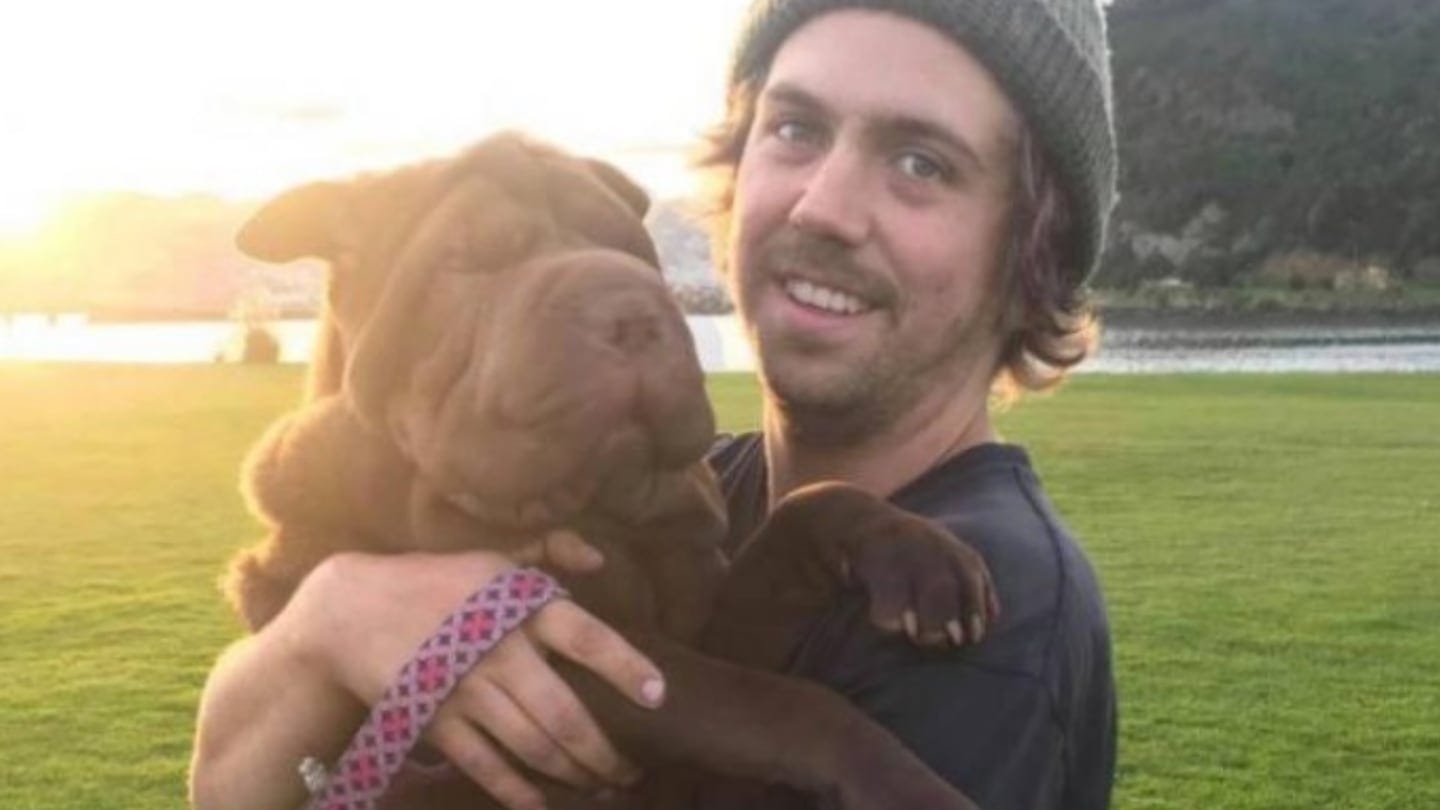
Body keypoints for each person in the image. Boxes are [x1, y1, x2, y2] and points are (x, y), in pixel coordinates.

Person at [189, 0, 1118, 808]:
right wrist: (325, 626)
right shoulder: (673, 486)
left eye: (921, 163)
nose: (825, 206)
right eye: (796, 129)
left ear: (1030, 253)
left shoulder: (992, 631)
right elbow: (226, 783)